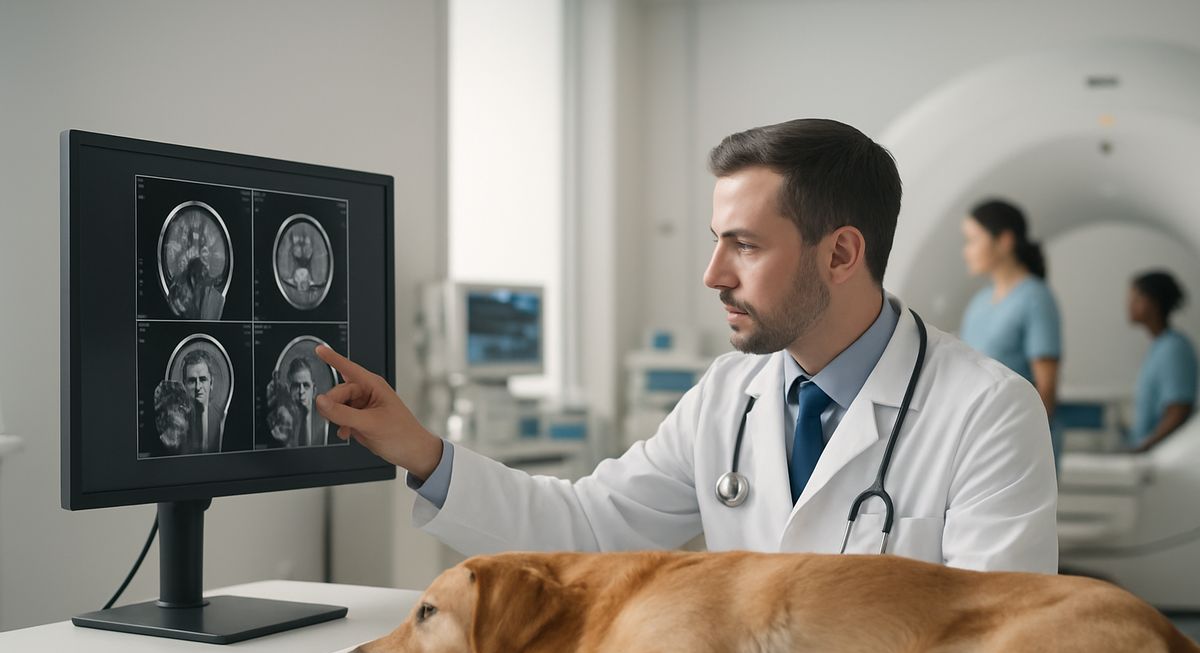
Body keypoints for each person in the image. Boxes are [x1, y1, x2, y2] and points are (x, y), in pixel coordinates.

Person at [316, 119, 1058, 573]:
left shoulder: (987, 411)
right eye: (715, 243)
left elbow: (996, 639)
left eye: (744, 247)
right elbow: (588, 528)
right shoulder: (728, 398)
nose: (712, 275)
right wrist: (421, 450)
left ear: (839, 255)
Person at [959, 199, 1063, 462]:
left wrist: (1020, 445)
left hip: (1018, 442)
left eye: (972, 240)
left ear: (1004, 241)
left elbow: (1046, 389)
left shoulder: (1035, 298)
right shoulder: (979, 303)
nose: (966, 251)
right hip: (978, 440)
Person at [1127, 270, 1197, 451]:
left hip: (1163, 457)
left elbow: (1178, 411)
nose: (1129, 305)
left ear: (1153, 303)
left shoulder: (1174, 348)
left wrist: (1144, 449)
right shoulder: (1159, 346)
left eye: (1135, 299)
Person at [181, 349, 224, 453]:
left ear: (211, 383)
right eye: (192, 381)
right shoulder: (177, 421)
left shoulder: (222, 417)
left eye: (203, 379)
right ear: (184, 385)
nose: (198, 387)